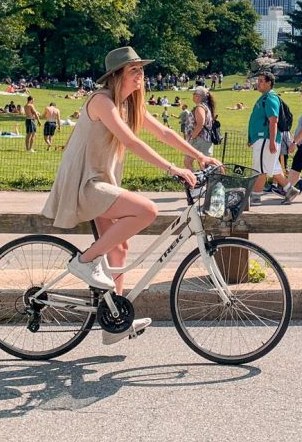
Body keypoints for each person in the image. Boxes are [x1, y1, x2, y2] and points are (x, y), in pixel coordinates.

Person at [41, 47, 214, 344]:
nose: (140, 75)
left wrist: (200, 156)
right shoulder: (101, 101)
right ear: (116, 75)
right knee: (147, 210)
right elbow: (130, 141)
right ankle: (85, 262)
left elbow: (164, 134)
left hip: (102, 184)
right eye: (134, 70)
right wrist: (172, 168)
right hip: (84, 184)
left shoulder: (129, 105)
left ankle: (114, 324)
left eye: (141, 70)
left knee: (119, 249)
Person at [249, 71, 287, 203]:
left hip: (265, 138)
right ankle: (290, 190)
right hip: (261, 139)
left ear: (269, 83)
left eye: (261, 81)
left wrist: (272, 141)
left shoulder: (270, 98)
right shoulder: (265, 97)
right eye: (258, 80)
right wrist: (252, 138)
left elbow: (273, 120)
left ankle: (255, 195)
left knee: (260, 168)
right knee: (273, 168)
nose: (258, 83)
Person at [184, 86, 216, 171]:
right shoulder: (206, 107)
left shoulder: (200, 108)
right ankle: (203, 179)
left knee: (188, 161)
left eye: (194, 94)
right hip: (204, 139)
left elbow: (200, 124)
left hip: (199, 139)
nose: (192, 95)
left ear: (198, 96)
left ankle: (194, 179)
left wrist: (193, 137)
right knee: (203, 164)